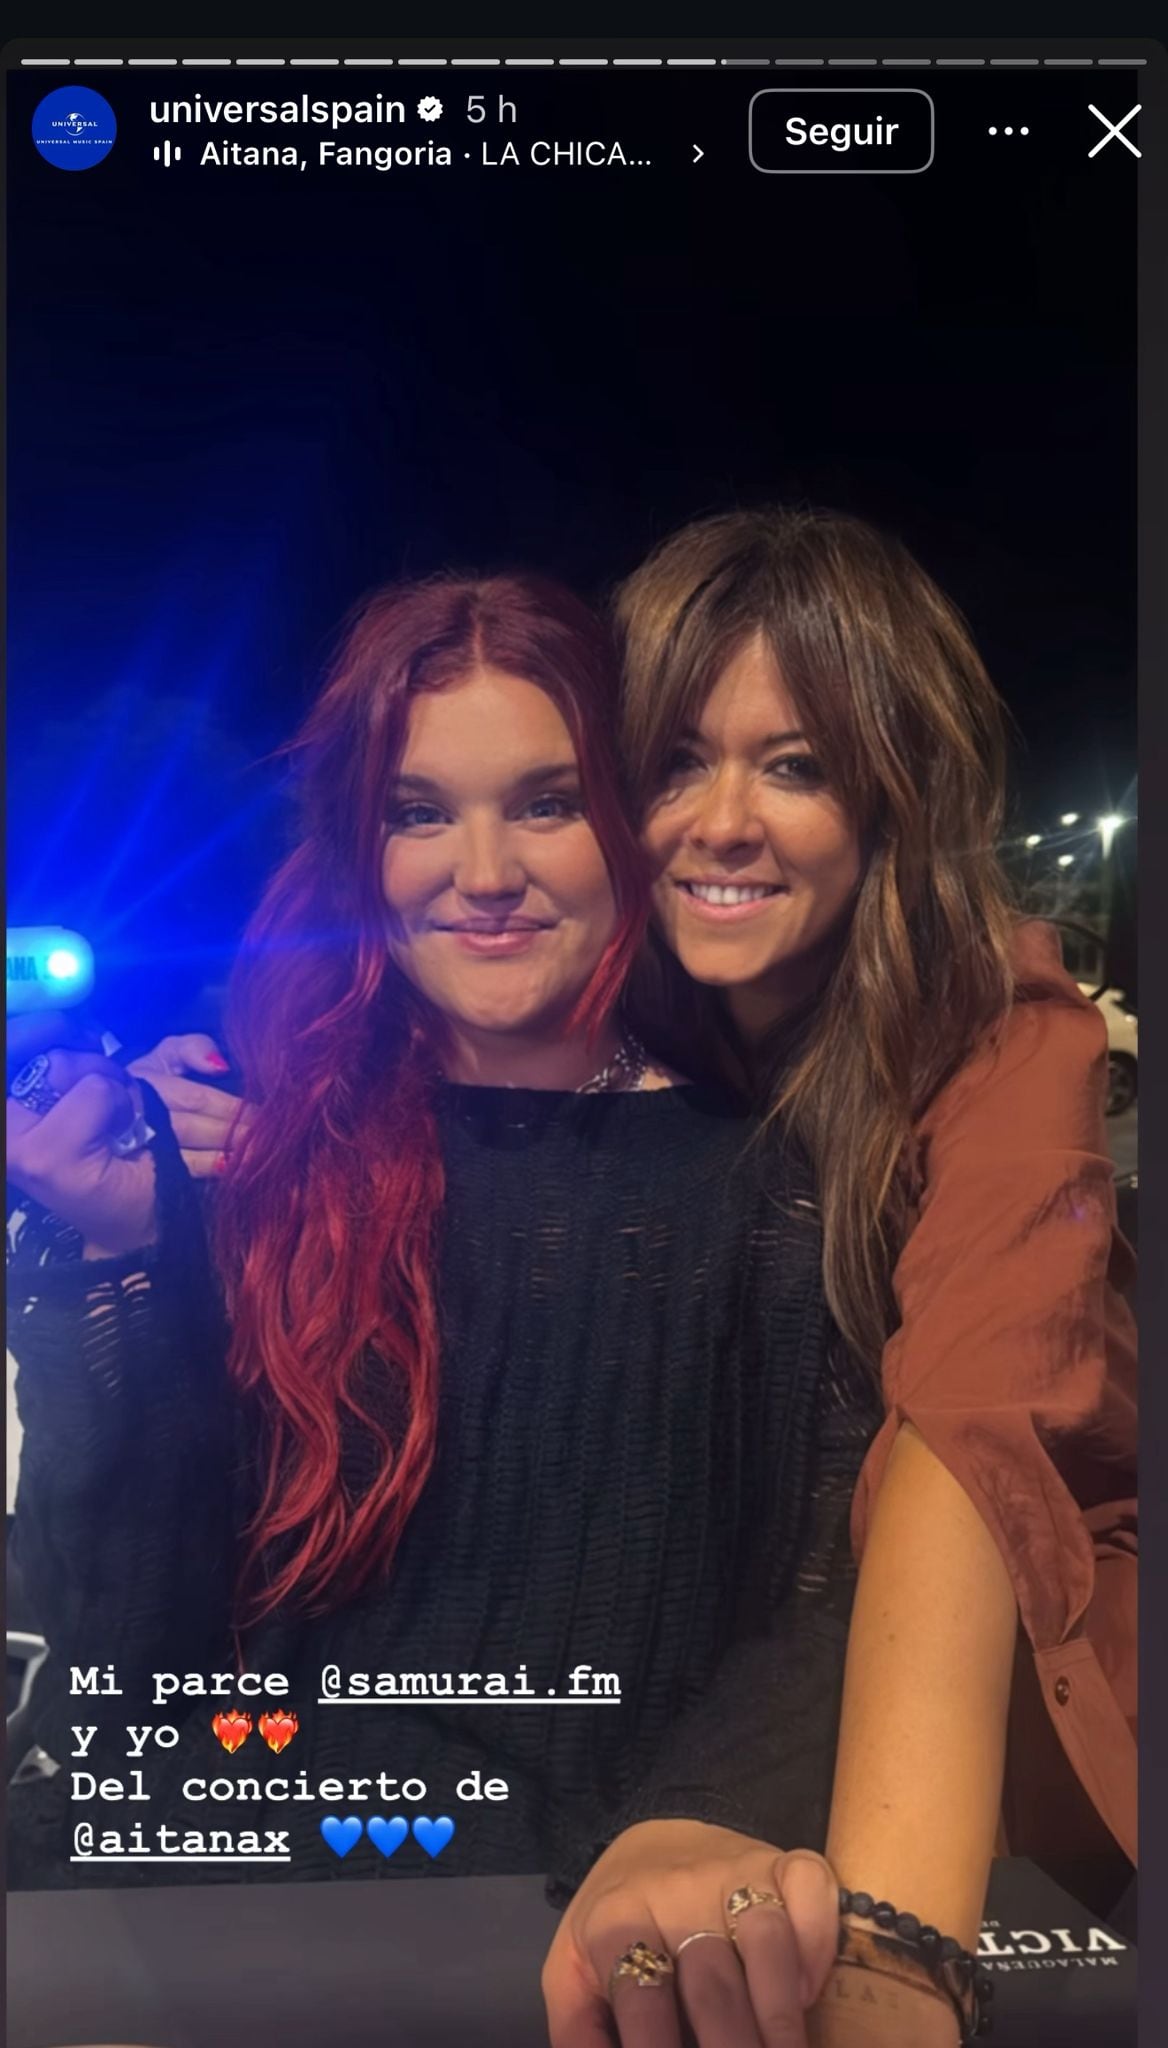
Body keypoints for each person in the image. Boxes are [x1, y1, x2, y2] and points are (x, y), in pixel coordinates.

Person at [8, 572, 963, 2048]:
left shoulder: (770, 1187)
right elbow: (133, 1663)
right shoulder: (266, 1161)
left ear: (626, 822)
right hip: (263, 1898)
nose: (483, 870)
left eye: (546, 802)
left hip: (598, 1919)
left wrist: (697, 1818)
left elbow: (820, 1599)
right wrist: (126, 1260)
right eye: (417, 812)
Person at [612, 504, 1138, 1965]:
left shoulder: (1001, 1034)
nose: (722, 820)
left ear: (891, 798)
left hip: (986, 1728)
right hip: (687, 1707)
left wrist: (894, 1964)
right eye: (676, 761)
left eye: (796, 767)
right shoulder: (628, 1036)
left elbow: (966, 1439)